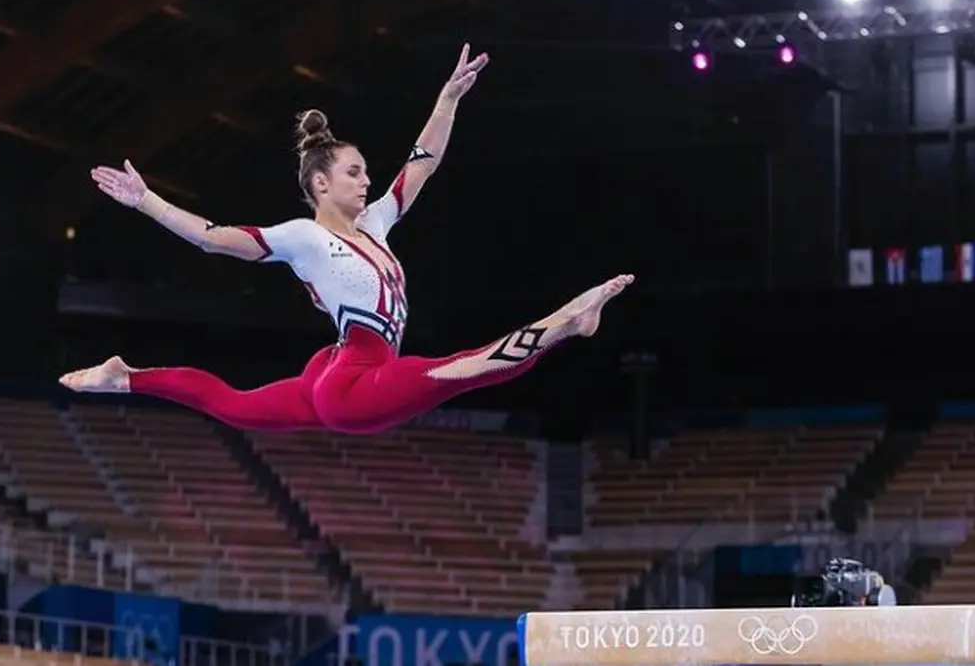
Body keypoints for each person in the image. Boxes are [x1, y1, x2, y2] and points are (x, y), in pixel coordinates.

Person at [59, 44, 635, 434]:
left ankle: (125, 377)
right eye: (354, 173)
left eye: (365, 172)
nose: (366, 181)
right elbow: (212, 238)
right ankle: (567, 321)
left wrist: (448, 100)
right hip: (353, 381)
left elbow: (423, 163)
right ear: (319, 183)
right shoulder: (303, 238)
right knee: (466, 367)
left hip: (342, 366)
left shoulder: (377, 223)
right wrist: (146, 200)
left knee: (232, 405)